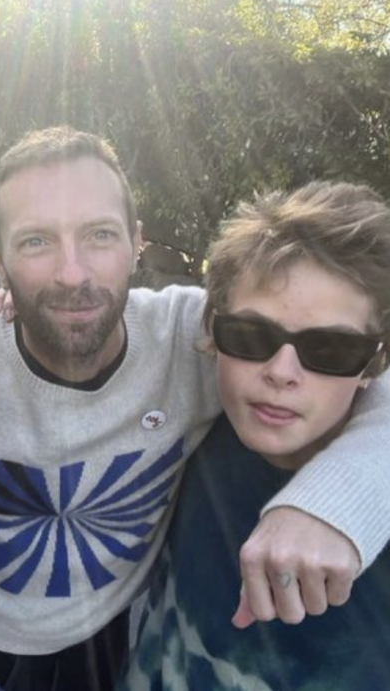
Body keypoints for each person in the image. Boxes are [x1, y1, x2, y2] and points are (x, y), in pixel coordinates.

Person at [0, 126, 390, 690]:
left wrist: (338, 501)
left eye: (99, 235)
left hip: (102, 640)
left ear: (137, 243)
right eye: (36, 242)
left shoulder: (196, 339)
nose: (73, 273)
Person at [121, 181, 390, 690]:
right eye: (251, 336)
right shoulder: (200, 422)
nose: (282, 371)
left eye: (330, 350)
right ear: (212, 331)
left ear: (371, 364)